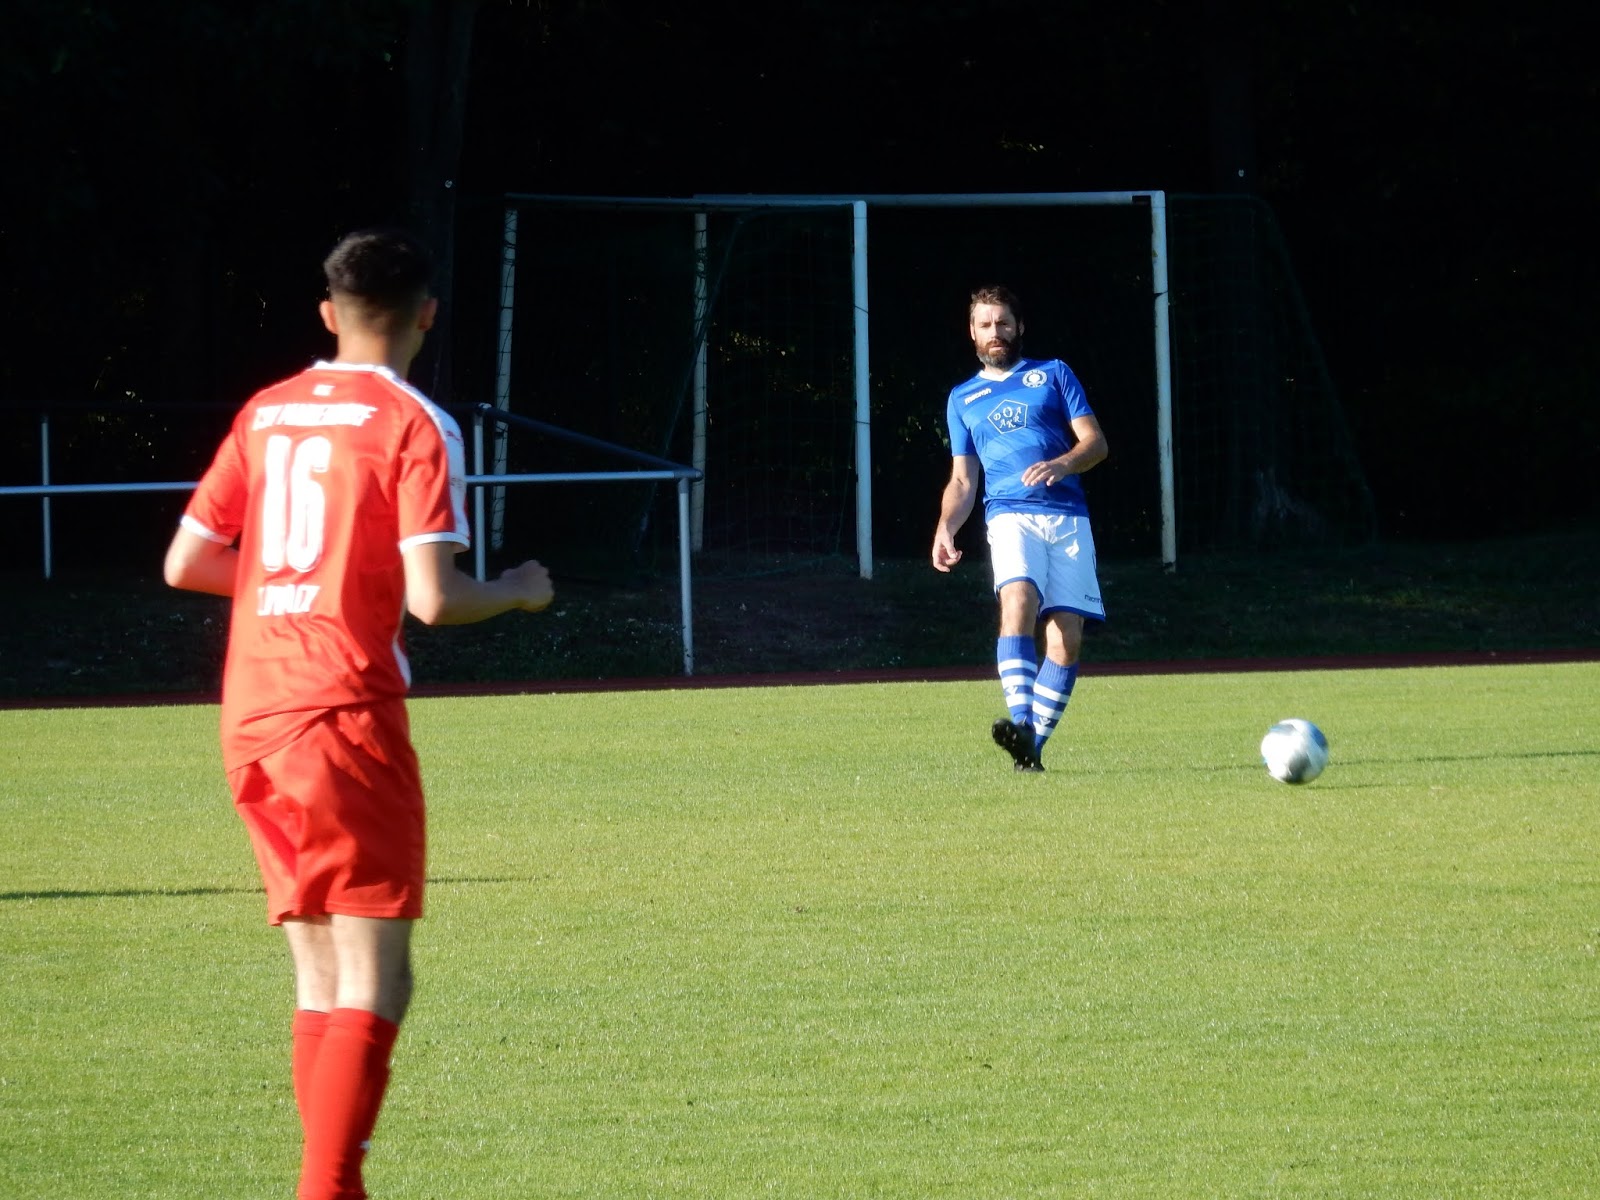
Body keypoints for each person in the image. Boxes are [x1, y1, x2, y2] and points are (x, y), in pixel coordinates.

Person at [163, 227, 554, 1200]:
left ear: (328, 314)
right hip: (342, 711)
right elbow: (435, 598)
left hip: (252, 711)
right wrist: (516, 588)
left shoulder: (266, 413)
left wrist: (294, 587)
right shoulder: (414, 422)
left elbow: (188, 563)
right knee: (378, 975)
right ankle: (328, 1189)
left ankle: (330, 1183)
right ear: (426, 314)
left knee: (319, 977)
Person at [930, 285, 1108, 773]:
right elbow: (963, 480)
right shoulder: (963, 398)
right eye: (986, 325)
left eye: (1003, 323)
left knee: (1067, 640)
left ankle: (1030, 748)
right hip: (1008, 513)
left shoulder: (1053, 374)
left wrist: (1065, 463)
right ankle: (1021, 720)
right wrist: (946, 527)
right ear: (972, 333)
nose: (996, 332)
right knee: (1019, 599)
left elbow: (1095, 443)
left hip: (1068, 517)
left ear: (1019, 326)